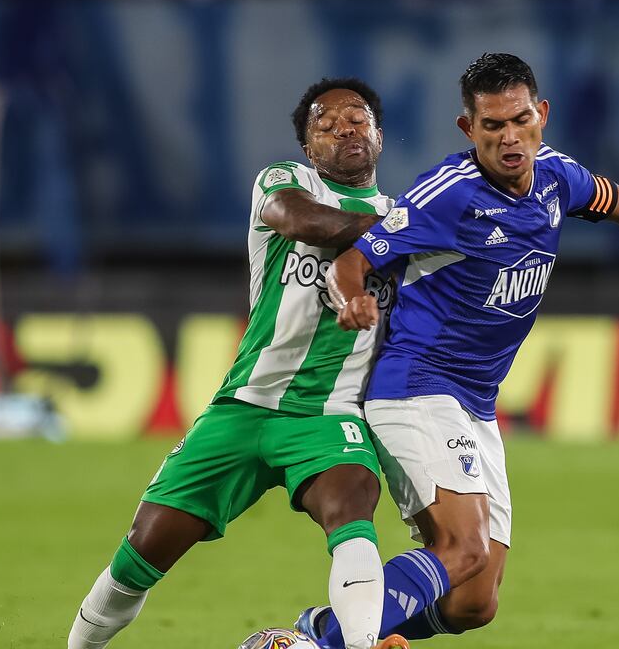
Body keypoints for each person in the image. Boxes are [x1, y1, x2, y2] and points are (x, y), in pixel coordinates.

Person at [300, 53, 619, 647]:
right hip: (418, 386)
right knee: (463, 547)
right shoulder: (447, 196)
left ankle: (341, 627)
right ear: (467, 129)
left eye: (520, 120)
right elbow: (356, 257)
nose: (510, 138)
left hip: (476, 401)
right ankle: (322, 642)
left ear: (542, 115)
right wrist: (352, 299)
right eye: (493, 126)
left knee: (474, 602)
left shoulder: (557, 175)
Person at [67, 78, 411, 649]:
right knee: (142, 551)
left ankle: (359, 643)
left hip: (327, 414)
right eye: (326, 124)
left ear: (379, 135)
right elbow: (304, 223)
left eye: (358, 117)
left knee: (353, 501)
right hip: (244, 406)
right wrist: (404, 235)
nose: (345, 128)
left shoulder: (403, 215)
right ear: (308, 147)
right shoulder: (285, 183)